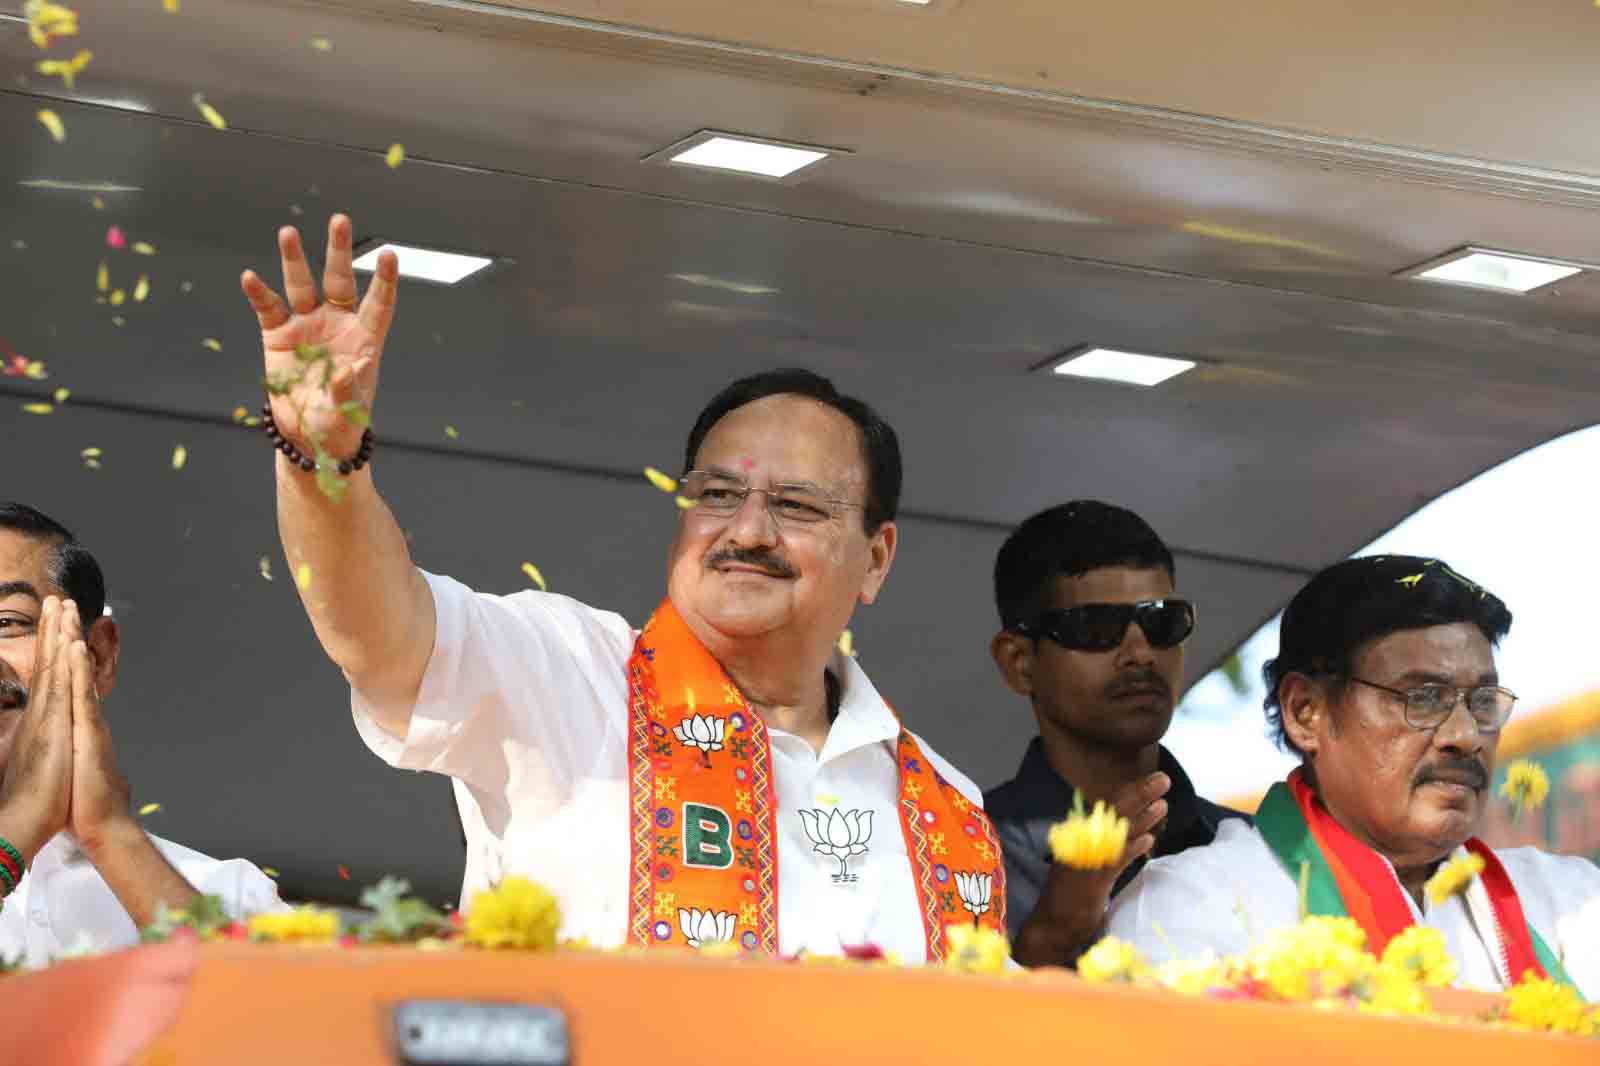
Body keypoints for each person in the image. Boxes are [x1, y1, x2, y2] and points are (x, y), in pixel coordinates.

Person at [237, 214, 1006, 960]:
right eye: (715, 495)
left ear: (876, 558)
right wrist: (322, 460)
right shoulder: (571, 675)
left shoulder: (946, 809)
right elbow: (378, 635)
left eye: (796, 506)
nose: (746, 532)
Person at [1107, 555, 1600, 994]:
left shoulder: (1571, 901)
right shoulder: (1194, 905)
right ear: (1305, 712)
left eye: (1483, 702)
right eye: (1422, 698)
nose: (1466, 736)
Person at [0, 504, 281, 966]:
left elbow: (285, 1028)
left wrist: (111, 834)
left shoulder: (223, 895)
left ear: (99, 656)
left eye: (8, 621)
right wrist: (18, 828)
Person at [983, 501, 1245, 967]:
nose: (1140, 653)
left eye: (1162, 621)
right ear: (1019, 663)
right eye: (1096, 627)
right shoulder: (959, 849)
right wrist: (1052, 935)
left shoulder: (1251, 845)